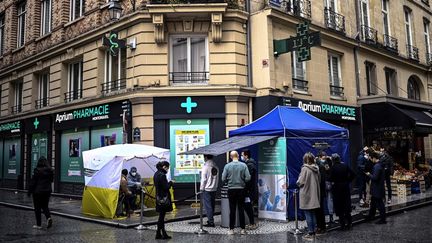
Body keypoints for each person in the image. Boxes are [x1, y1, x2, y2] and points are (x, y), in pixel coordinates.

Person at [221, 151, 251, 235]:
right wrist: (242, 181)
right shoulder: (243, 165)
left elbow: (223, 179)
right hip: (241, 189)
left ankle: (231, 229)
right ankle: (242, 229)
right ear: (237, 156)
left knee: (232, 209)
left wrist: (229, 180)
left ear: (231, 157)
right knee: (241, 209)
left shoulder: (227, 166)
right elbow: (248, 178)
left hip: (231, 189)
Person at [297, 152, 320, 241]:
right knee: (313, 213)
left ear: (305, 160)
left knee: (308, 214)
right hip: (314, 194)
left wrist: (297, 182)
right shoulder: (316, 168)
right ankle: (314, 231)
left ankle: (310, 233)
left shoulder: (305, 169)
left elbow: (300, 182)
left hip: (306, 194)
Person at [329, 153, 355, 230]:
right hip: (345, 188)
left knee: (340, 207)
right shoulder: (345, 165)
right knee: (347, 206)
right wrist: (348, 181)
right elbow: (353, 174)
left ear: (333, 160)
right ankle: (350, 223)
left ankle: (342, 225)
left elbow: (330, 178)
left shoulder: (333, 168)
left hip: (337, 189)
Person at [28, 156, 54, 229]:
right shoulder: (50, 171)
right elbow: (51, 180)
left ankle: (38, 225)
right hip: (47, 191)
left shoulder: (37, 170)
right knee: (45, 206)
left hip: (37, 192)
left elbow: (33, 182)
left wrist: (29, 191)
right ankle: (48, 218)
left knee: (37, 208)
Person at [366, 151, 387, 224]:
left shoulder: (377, 166)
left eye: (371, 159)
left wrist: (369, 174)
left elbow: (375, 178)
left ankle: (383, 219)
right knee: (373, 204)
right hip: (378, 188)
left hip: (377, 188)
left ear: (374, 158)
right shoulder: (380, 165)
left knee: (380, 204)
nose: (371, 160)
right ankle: (371, 216)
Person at [154, 161, 173, 240]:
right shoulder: (162, 175)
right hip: (164, 199)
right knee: (161, 217)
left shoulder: (156, 174)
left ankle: (159, 233)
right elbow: (166, 187)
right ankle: (162, 233)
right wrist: (171, 183)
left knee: (161, 216)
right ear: (164, 167)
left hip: (159, 197)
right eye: (167, 168)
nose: (168, 170)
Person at [200, 154, 219, 227]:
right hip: (214, 188)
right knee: (212, 205)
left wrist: (201, 188)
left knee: (208, 206)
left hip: (207, 189)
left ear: (206, 157)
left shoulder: (205, 167)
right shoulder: (216, 166)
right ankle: (210, 220)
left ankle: (211, 222)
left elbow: (203, 179)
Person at [241, 149, 258, 230]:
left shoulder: (249, 164)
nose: (242, 157)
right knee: (247, 206)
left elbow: (249, 179)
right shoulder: (250, 163)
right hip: (250, 189)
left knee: (247, 206)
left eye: (242, 155)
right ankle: (252, 222)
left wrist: (246, 189)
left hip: (249, 190)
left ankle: (252, 223)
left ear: (246, 155)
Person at [314, 151, 330, 234]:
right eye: (324, 156)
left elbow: (322, 179)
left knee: (319, 210)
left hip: (319, 191)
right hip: (321, 190)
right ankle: (321, 226)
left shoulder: (319, 166)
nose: (325, 157)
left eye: (325, 155)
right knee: (320, 210)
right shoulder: (320, 165)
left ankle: (320, 227)